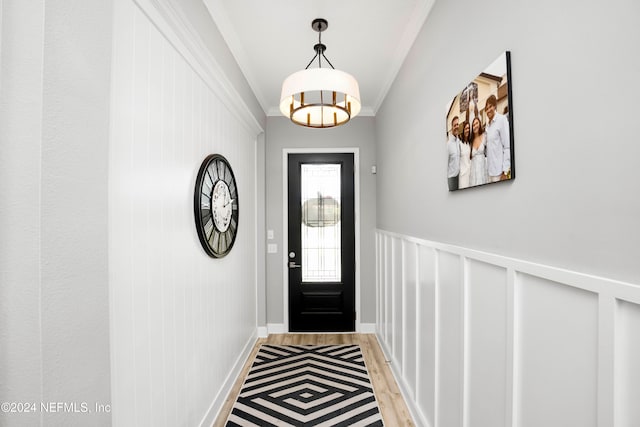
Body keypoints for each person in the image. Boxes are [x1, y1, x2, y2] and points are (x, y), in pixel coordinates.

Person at [484, 95, 511, 182]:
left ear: (495, 106)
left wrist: (505, 171)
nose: (488, 110)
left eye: (490, 107)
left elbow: (507, 146)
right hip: (490, 172)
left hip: (499, 173)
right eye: (486, 108)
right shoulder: (488, 126)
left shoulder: (502, 120)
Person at [469, 117, 487, 186]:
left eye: (476, 123)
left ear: (480, 124)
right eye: (473, 125)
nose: (475, 126)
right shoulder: (471, 141)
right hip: (473, 173)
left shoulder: (484, 136)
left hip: (482, 170)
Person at [447, 116, 461, 190]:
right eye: (455, 125)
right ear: (452, 127)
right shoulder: (448, 145)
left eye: (457, 124)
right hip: (451, 179)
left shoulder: (459, 142)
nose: (456, 127)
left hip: (459, 177)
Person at [458, 121, 471, 189]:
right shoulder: (459, 144)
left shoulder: (469, 143)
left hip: (469, 174)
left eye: (468, 128)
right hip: (463, 174)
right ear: (463, 130)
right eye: (466, 128)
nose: (467, 130)